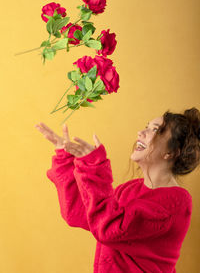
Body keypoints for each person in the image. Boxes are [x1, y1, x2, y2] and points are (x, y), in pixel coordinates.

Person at [35, 107, 200, 273]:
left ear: (171, 152)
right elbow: (80, 214)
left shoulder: (176, 202)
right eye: (147, 126)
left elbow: (109, 229)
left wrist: (94, 167)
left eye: (155, 130)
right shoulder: (130, 189)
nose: (140, 132)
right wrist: (64, 158)